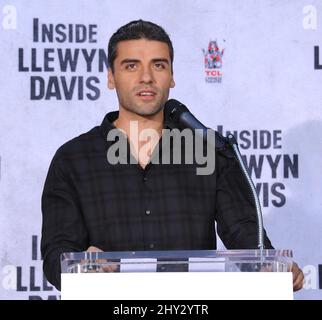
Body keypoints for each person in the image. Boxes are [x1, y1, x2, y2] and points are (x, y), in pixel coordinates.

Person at [41, 20, 304, 291]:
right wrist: (82, 266)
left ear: (172, 75)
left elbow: (244, 232)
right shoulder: (72, 159)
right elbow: (56, 253)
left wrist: (271, 267)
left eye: (158, 65)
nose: (146, 77)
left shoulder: (209, 151)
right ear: (111, 77)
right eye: (131, 66)